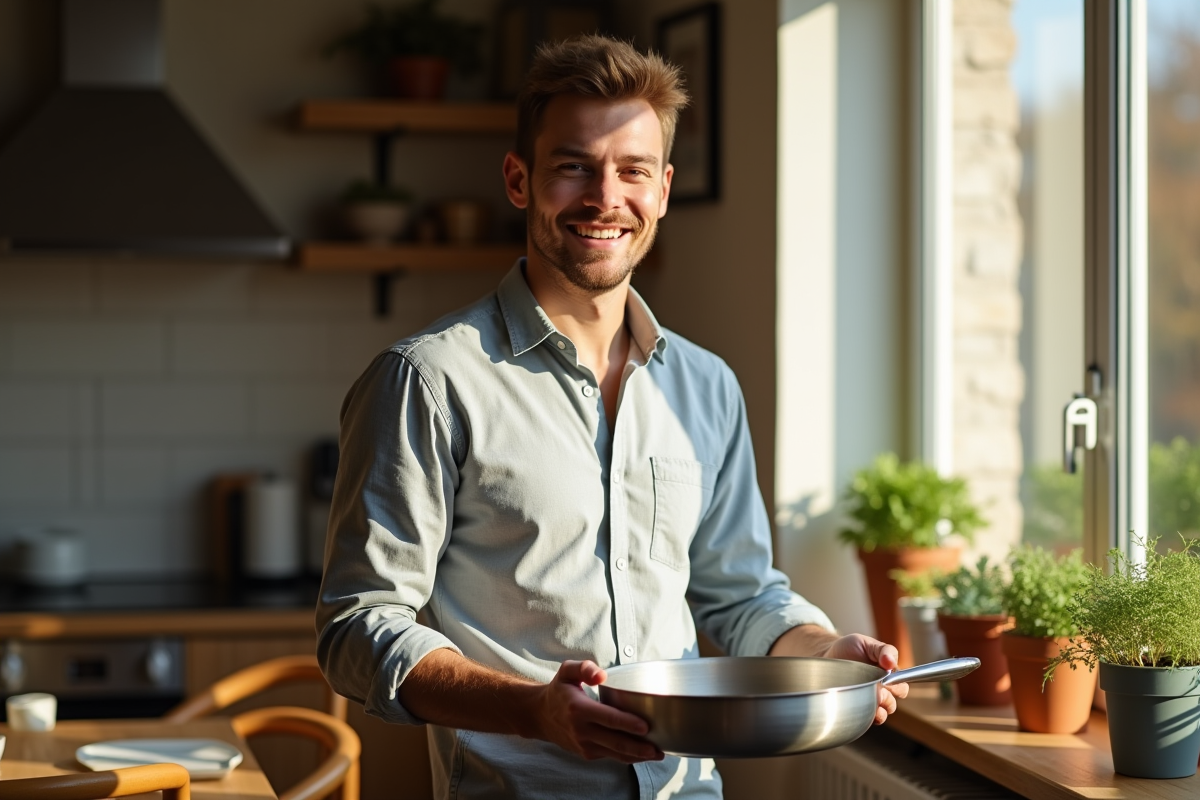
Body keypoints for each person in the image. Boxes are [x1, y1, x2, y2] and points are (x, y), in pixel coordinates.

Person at [317, 34, 908, 800]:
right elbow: (359, 627)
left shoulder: (707, 386)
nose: (605, 197)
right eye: (573, 166)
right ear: (519, 180)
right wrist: (532, 711)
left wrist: (825, 650)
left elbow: (738, 596)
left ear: (662, 189)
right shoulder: (428, 381)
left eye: (631, 170)